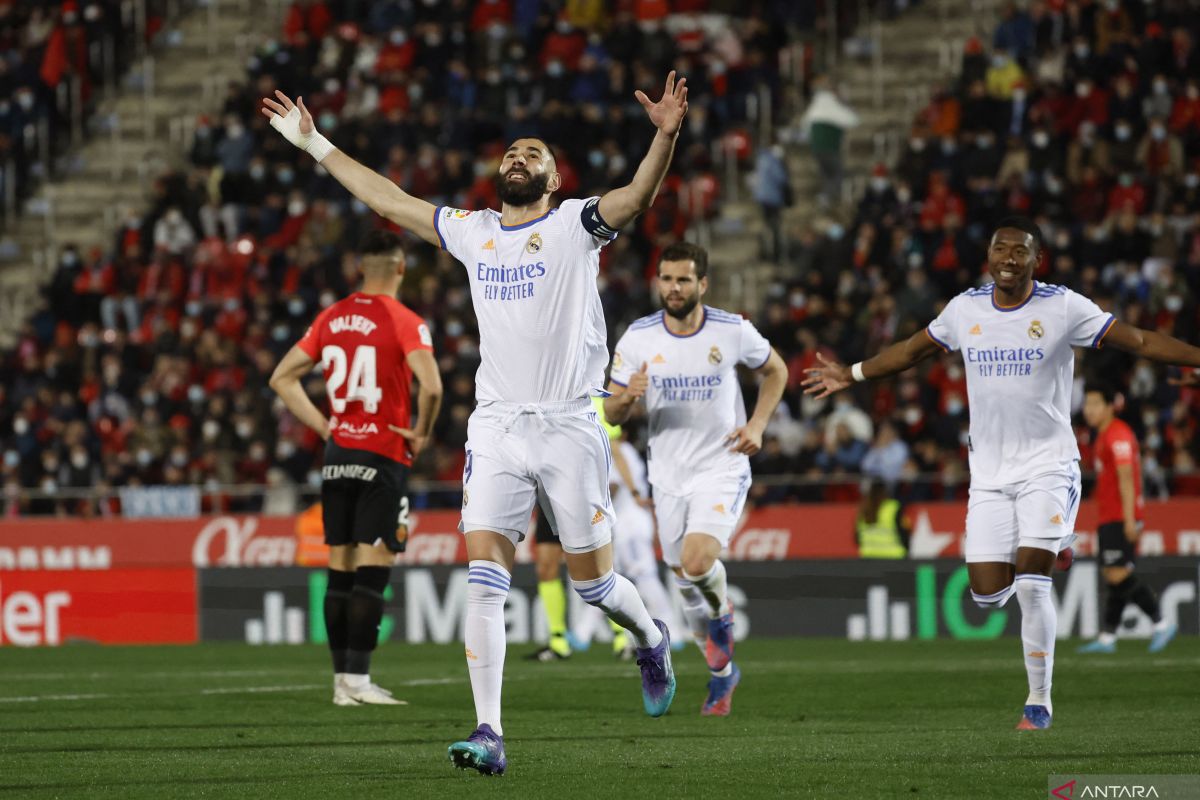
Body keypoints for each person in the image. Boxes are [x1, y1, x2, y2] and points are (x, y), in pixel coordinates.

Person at [262, 71, 688, 775]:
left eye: (533, 154)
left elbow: (638, 196)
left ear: (554, 178)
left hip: (571, 425)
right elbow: (390, 200)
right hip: (496, 428)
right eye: (511, 153)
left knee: (593, 585)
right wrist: (315, 144)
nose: (517, 159)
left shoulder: (576, 225)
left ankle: (649, 636)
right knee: (484, 577)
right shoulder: (474, 232)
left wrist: (664, 136)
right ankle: (489, 731)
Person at [802, 216, 1200, 731]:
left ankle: (1039, 701)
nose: (1009, 258)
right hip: (988, 474)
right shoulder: (965, 309)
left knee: (1034, 584)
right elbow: (911, 351)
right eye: (1001, 250)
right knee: (988, 593)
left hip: (1048, 465)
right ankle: (1055, 541)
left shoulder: (1061, 306)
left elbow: (1140, 342)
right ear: (988, 257)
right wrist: (851, 373)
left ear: (1038, 261)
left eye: (1020, 251)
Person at [605, 241, 788, 716]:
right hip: (667, 473)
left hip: (721, 465)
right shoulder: (638, 338)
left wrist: (758, 426)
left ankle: (721, 611)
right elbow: (610, 408)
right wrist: (628, 399)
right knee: (681, 574)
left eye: (683, 279)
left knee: (697, 560)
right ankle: (724, 675)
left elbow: (776, 370)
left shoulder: (731, 331)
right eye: (666, 279)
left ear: (702, 284)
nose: (674, 287)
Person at [269, 230, 443, 706]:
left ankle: (341, 683)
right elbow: (432, 387)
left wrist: (326, 427)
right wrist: (422, 431)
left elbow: (281, 378)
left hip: (338, 456)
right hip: (383, 454)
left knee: (340, 566)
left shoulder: (331, 317)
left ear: (361, 269)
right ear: (401, 268)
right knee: (374, 567)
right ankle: (361, 680)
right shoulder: (404, 320)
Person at [1077, 385, 1177, 654]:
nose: (1089, 410)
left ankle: (1161, 622)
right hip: (1111, 513)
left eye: (1095, 404)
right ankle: (1107, 638)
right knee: (1113, 574)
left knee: (1118, 573)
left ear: (1110, 406)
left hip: (1120, 515)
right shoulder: (1104, 436)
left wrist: (1131, 519)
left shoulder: (1116, 435)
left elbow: (1127, 479)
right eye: (1087, 404)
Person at [798, 74, 860, 207]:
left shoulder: (815, 106)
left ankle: (826, 196)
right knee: (837, 173)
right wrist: (845, 103)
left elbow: (805, 125)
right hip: (830, 147)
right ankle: (829, 198)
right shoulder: (830, 104)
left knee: (826, 174)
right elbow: (852, 120)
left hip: (816, 148)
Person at [855, 479, 911, 558]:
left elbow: (857, 538)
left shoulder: (864, 510)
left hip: (869, 558)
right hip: (894, 557)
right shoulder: (893, 507)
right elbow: (903, 533)